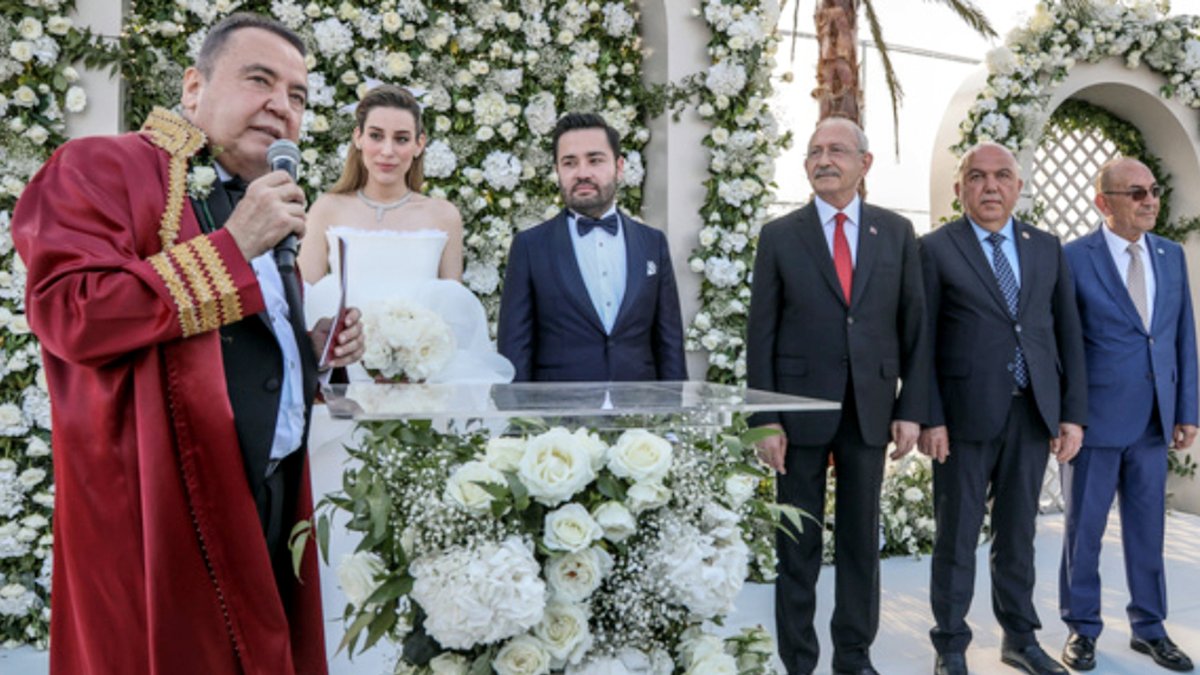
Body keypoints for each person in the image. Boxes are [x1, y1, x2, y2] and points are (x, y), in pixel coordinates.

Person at [11, 13, 364, 674]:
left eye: (297, 95)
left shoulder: (265, 202)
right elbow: (68, 311)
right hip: (157, 507)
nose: (282, 106)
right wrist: (233, 247)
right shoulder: (99, 165)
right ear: (193, 88)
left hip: (272, 492)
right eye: (259, 79)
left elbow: (231, 345)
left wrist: (310, 349)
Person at [746, 117, 929, 675]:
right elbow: (760, 335)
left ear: (864, 163)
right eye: (815, 151)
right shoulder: (780, 235)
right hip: (799, 411)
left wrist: (911, 410)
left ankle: (854, 657)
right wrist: (764, 420)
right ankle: (799, 662)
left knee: (859, 543)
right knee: (796, 546)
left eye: (837, 150)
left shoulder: (895, 232)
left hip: (869, 411)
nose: (824, 160)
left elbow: (915, 327)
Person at [919, 142, 1087, 675]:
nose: (990, 186)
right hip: (962, 418)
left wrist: (1071, 413)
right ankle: (950, 645)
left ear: (1018, 186)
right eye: (977, 176)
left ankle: (1020, 638)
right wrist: (930, 417)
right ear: (960, 189)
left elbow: (1067, 334)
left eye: (1002, 176)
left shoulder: (1046, 247)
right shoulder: (934, 249)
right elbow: (920, 342)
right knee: (956, 536)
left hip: (1031, 413)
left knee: (1018, 535)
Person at [1058, 157, 1197, 673]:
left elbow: (1182, 335)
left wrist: (1187, 409)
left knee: (1148, 532)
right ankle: (1082, 627)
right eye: (1136, 193)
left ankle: (1150, 627)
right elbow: (1062, 346)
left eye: (1153, 190)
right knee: (1084, 533)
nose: (1150, 200)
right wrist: (1068, 417)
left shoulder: (1170, 254)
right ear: (1104, 202)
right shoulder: (1073, 258)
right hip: (1093, 423)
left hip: (1155, 420)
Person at [497, 112, 686, 382]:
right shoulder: (529, 247)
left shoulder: (652, 243)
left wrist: (674, 406)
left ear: (619, 166)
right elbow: (515, 349)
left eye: (595, 160)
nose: (583, 173)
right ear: (557, 171)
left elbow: (670, 345)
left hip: (640, 404)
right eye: (569, 163)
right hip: (560, 406)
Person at [298, 84, 464, 284]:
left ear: (419, 144)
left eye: (401, 139)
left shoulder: (444, 216)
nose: (387, 151)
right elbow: (303, 297)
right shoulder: (327, 209)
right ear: (358, 138)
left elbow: (452, 300)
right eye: (376, 136)